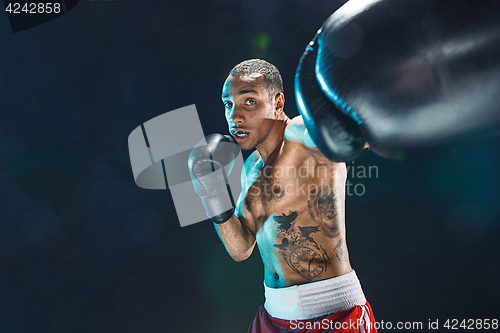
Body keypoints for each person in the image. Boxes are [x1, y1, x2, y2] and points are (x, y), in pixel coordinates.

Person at [190, 59, 376, 333]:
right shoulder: (251, 168)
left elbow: (359, 134)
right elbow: (240, 249)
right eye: (228, 104)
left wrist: (356, 125)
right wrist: (211, 194)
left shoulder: (303, 134)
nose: (235, 116)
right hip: (273, 316)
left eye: (249, 102)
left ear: (278, 103)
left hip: (332, 313)